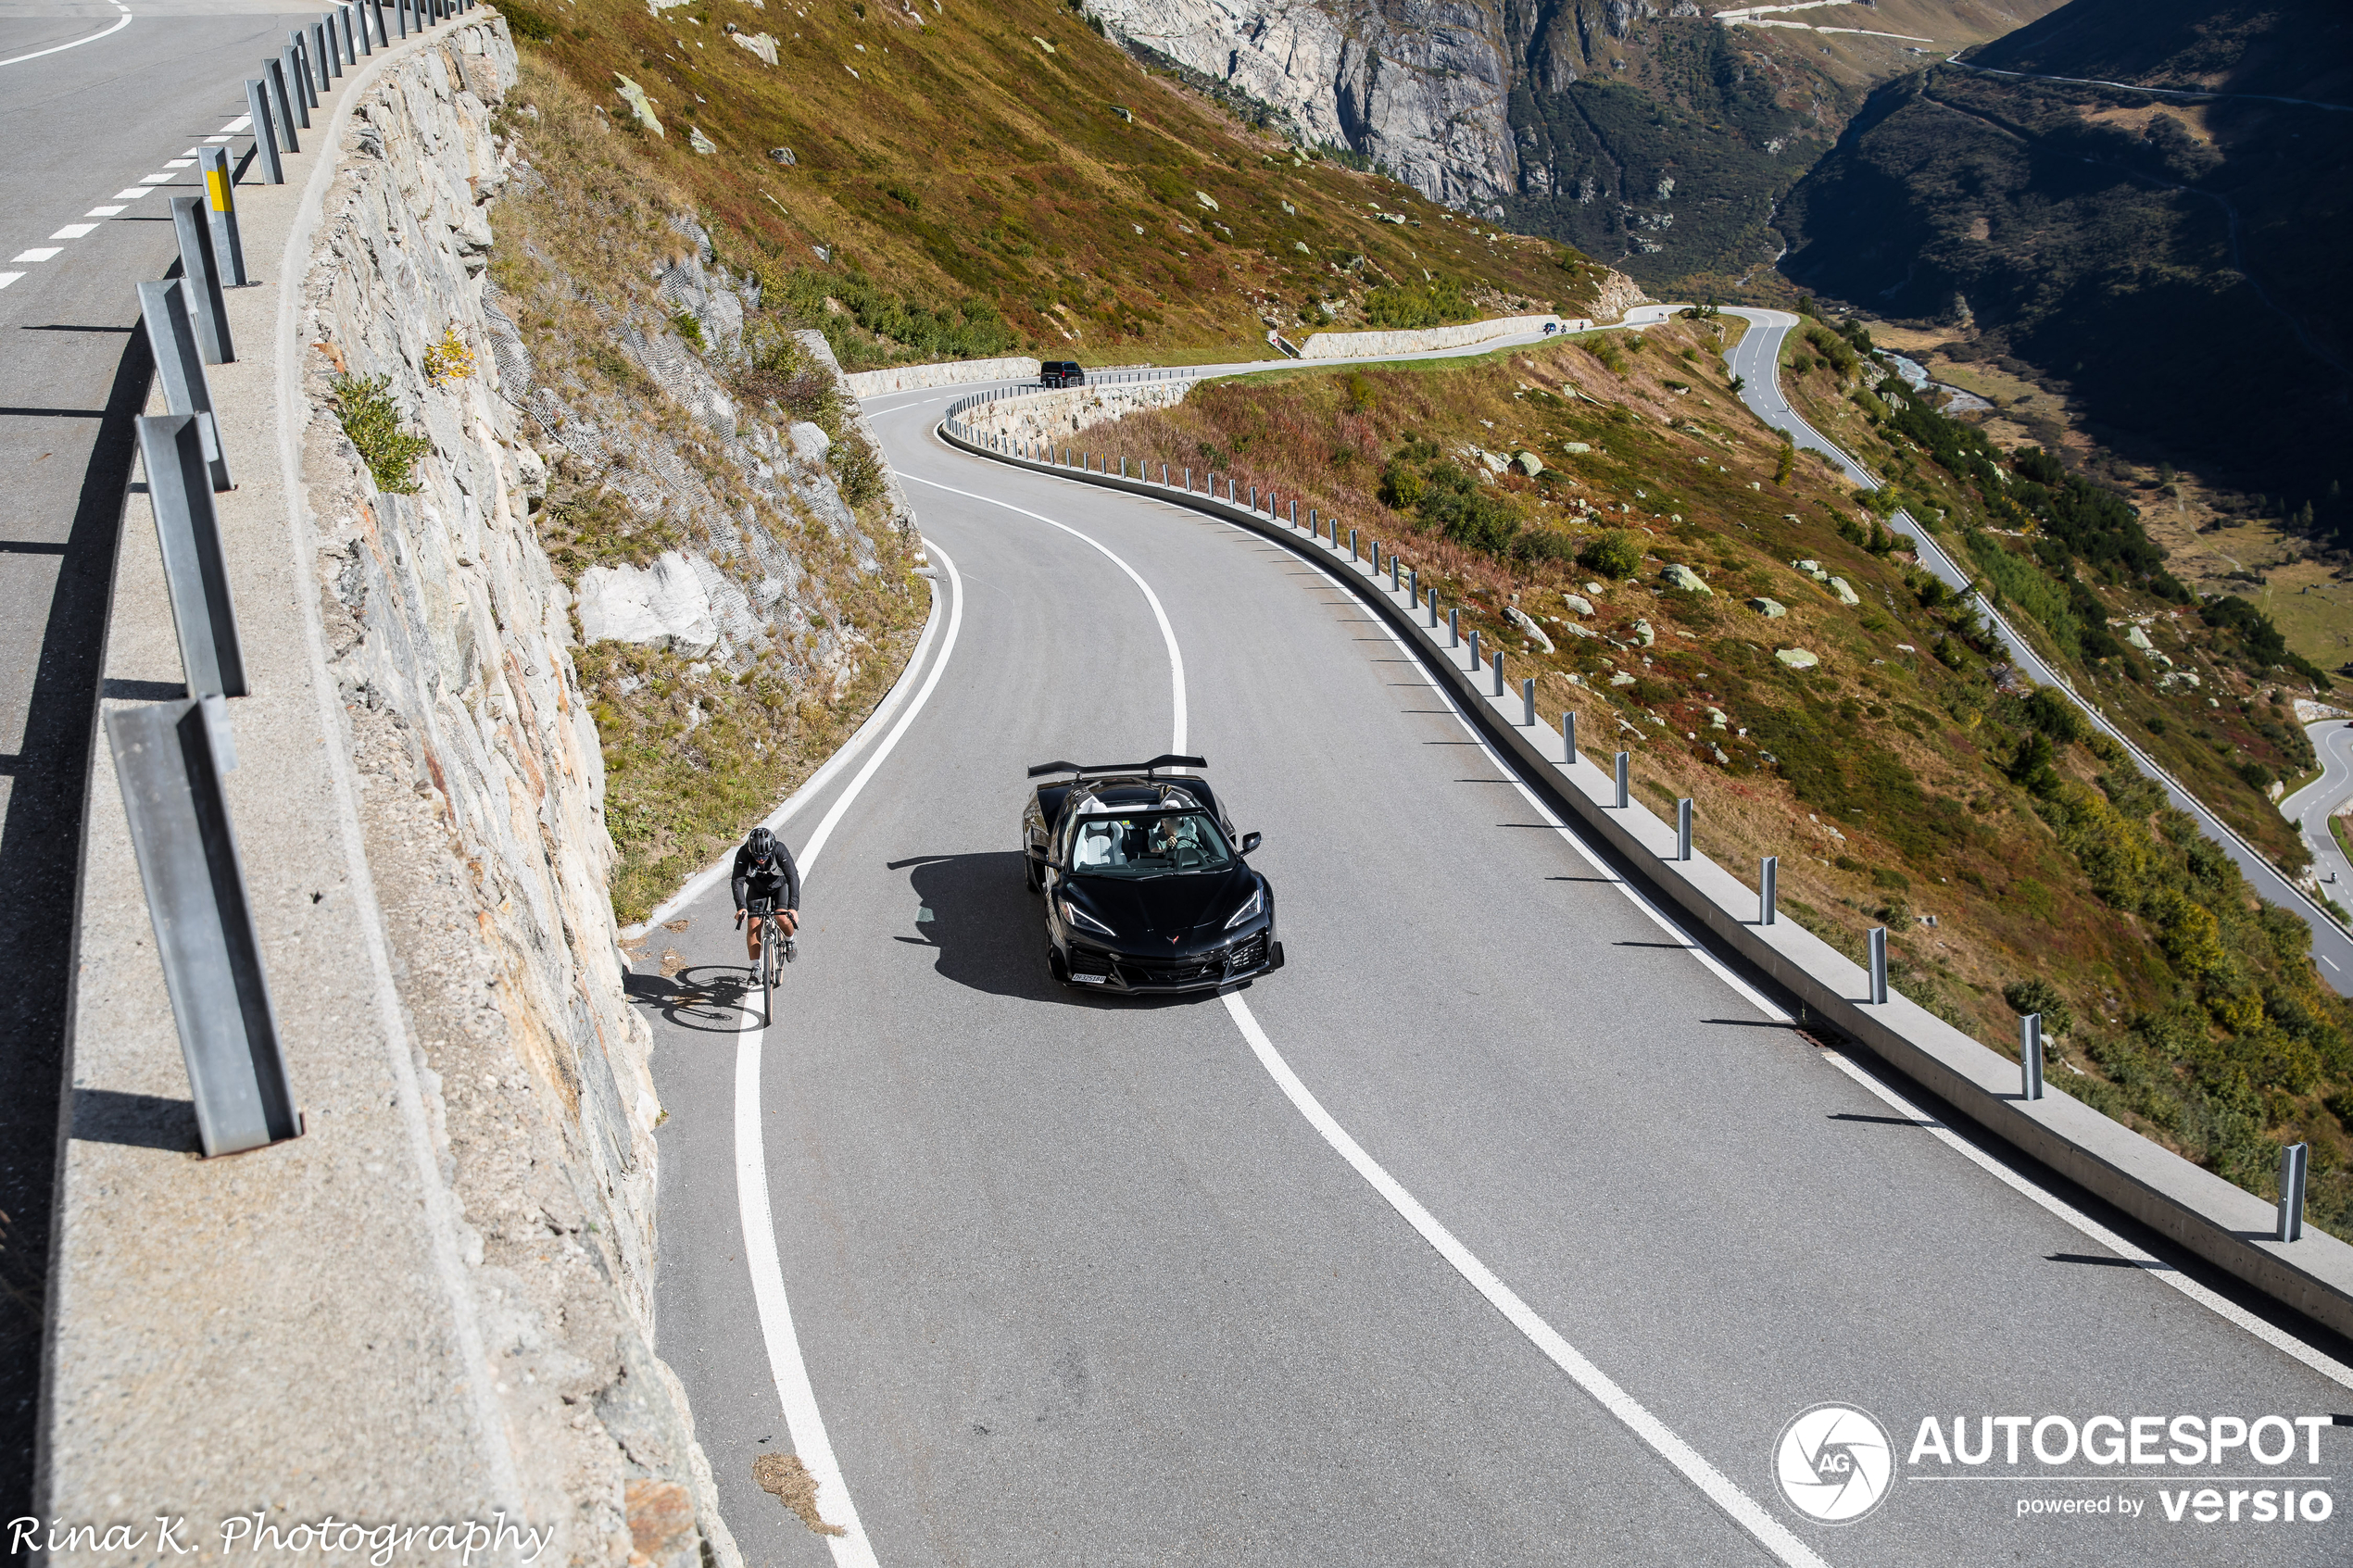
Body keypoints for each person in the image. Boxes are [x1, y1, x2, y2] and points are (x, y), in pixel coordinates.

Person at [732, 825, 800, 965]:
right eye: (757, 857)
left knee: (782, 917)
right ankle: (755, 967)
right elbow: (737, 881)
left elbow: (793, 877)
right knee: (753, 925)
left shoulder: (779, 850)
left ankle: (790, 940)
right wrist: (741, 907)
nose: (761, 859)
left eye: (764, 856)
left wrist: (793, 907)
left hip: (779, 885)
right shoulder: (743, 853)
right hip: (757, 888)